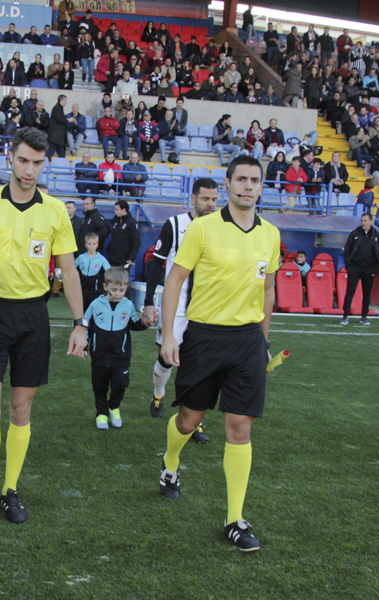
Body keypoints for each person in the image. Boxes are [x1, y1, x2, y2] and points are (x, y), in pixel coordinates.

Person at [0, 127, 87, 527]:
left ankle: (10, 488)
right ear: (10, 157)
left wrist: (80, 323)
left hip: (33, 317)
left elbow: (68, 271)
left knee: (20, 408)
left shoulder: (55, 210)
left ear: (46, 163)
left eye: (38, 163)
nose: (29, 170)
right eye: (23, 160)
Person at [157, 157, 280, 551]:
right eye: (240, 179)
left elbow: (268, 291)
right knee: (190, 419)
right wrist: (168, 336)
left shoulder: (271, 235)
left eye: (254, 180)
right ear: (228, 184)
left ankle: (234, 519)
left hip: (247, 342)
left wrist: (263, 342)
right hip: (204, 337)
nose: (247, 185)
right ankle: (170, 464)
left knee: (240, 427)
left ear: (262, 186)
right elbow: (175, 278)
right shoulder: (202, 228)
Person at [141, 178, 218, 441]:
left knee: (199, 367)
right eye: (205, 199)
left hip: (207, 311)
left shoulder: (220, 228)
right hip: (178, 309)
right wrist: (150, 301)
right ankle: (158, 394)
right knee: (167, 360)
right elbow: (156, 265)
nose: (210, 204)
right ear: (193, 198)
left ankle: (193, 420)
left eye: (214, 199)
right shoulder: (175, 225)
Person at [86, 266, 149, 429]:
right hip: (99, 356)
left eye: (122, 289)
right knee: (99, 386)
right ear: (105, 287)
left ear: (126, 288)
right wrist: (85, 345)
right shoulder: (95, 304)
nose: (118, 293)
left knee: (121, 383)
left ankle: (114, 407)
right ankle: (101, 414)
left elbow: (133, 324)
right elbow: (85, 325)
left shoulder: (128, 305)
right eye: (114, 289)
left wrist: (144, 323)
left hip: (121, 356)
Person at [340, 213, 379, 326]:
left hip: (369, 269)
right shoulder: (355, 233)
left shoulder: (376, 235)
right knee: (350, 292)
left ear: (371, 221)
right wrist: (348, 265)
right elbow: (347, 249)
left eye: (365, 221)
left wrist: (376, 267)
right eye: (362, 220)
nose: (363, 223)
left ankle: (364, 316)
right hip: (355, 267)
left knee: (367, 294)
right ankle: (345, 315)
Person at [75, 231, 110, 311]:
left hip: (96, 291)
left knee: (95, 311)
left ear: (97, 245)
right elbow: (73, 269)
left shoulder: (101, 259)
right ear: (85, 244)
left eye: (94, 244)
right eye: (89, 244)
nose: (91, 246)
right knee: (82, 310)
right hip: (82, 290)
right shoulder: (81, 258)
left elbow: (109, 272)